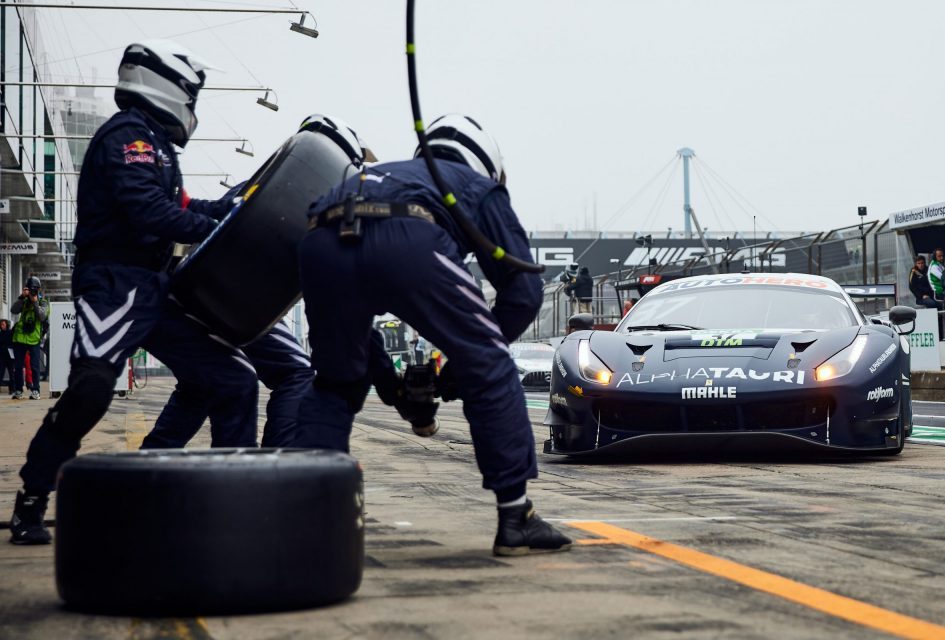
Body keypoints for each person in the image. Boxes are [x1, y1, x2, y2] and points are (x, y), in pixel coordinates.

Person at [297, 114, 571, 556]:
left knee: (335, 381)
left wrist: (396, 392)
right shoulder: (475, 184)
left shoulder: (378, 173)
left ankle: (310, 518)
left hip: (322, 240)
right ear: (485, 160)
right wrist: (467, 365)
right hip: (407, 236)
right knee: (493, 363)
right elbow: (522, 292)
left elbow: (359, 344)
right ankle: (516, 518)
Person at [8, 40, 226, 545]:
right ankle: (32, 500)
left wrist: (239, 204)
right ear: (170, 89)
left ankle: (224, 497)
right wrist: (216, 225)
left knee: (224, 376)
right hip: (117, 284)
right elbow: (150, 212)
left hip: (153, 282)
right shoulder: (131, 136)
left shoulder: (153, 142)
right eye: (191, 96)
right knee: (90, 391)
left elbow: (185, 205)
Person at [141, 116, 373, 451]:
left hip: (187, 287)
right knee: (296, 373)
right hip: (231, 296)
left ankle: (148, 470)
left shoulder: (262, 184)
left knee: (200, 386)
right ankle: (273, 470)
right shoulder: (314, 196)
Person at [10, 277, 50, 400]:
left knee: (35, 366)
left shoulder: (43, 302)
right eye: (30, 288)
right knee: (17, 366)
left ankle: (35, 390)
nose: (33, 291)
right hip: (20, 338)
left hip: (34, 339)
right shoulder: (24, 300)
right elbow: (14, 310)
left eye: (35, 289)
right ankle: (18, 390)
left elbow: (42, 317)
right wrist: (22, 297)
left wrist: (35, 302)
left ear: (38, 289)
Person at [0, 319, 14, 393]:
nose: (2, 326)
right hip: (2, 356)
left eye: (3, 324)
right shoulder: (1, 333)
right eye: (1, 324)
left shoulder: (10, 333)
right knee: (1, 372)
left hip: (9, 356)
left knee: (11, 373)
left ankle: (12, 389)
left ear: (6, 325)